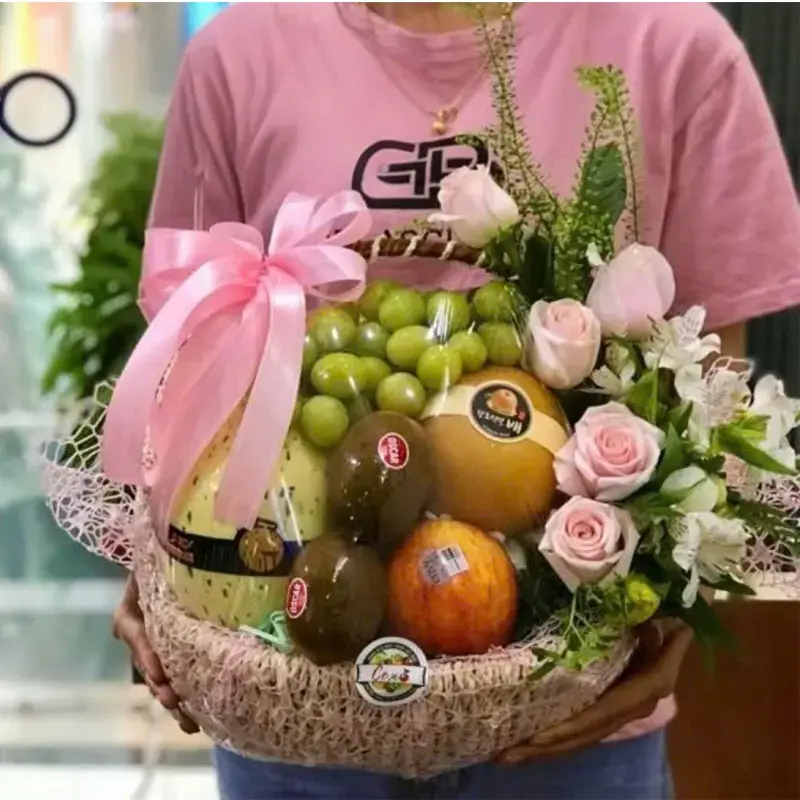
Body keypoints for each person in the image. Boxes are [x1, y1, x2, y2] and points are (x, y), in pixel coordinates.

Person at [113, 3, 800, 798]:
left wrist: (681, 605)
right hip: (300, 707)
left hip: (571, 729)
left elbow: (717, 386)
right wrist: (161, 576)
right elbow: (190, 365)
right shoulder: (239, 52)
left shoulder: (674, 47)